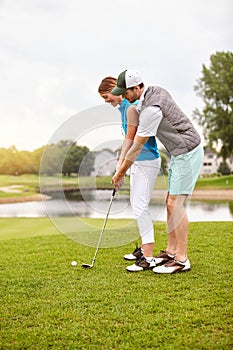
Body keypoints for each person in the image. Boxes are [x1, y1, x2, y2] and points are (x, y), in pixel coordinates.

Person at [111, 69, 204, 274]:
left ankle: (181, 259)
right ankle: (171, 252)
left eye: (126, 92)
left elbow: (136, 148)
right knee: (169, 204)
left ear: (137, 88)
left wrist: (120, 173)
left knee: (175, 204)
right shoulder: (152, 94)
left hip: (188, 151)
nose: (123, 96)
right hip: (180, 154)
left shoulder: (151, 109)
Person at [98, 76, 161, 272]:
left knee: (141, 206)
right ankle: (144, 250)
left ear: (115, 89)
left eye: (107, 97)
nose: (107, 102)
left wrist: (121, 169)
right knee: (137, 205)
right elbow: (126, 140)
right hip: (137, 161)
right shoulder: (123, 108)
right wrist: (120, 165)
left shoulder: (130, 107)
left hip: (146, 160)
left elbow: (131, 140)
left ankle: (148, 257)